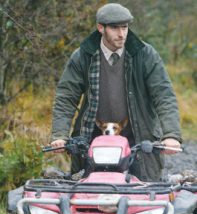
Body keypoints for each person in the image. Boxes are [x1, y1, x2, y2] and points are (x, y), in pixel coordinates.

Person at [50, 3, 182, 181]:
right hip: (92, 138)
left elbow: (164, 95)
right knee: (86, 194)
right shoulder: (83, 56)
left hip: (139, 141)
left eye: (125, 27)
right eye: (114, 28)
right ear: (100, 28)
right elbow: (66, 97)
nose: (121, 34)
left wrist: (171, 135)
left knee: (145, 196)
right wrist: (60, 135)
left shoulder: (145, 54)